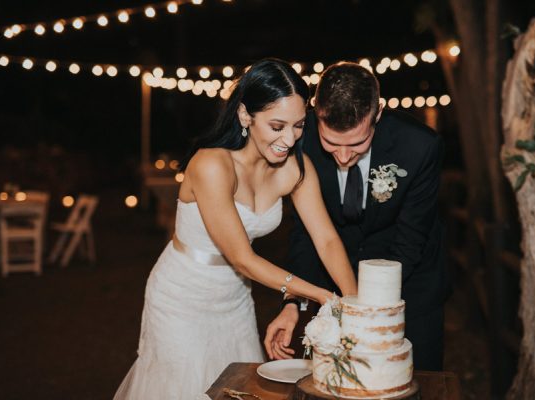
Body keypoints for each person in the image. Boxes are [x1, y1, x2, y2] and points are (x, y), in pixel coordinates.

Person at [114, 59, 357, 400]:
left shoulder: (296, 169)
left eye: (299, 125)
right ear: (245, 116)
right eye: (277, 126)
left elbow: (327, 239)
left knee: (237, 391)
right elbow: (242, 258)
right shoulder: (211, 164)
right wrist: (321, 296)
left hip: (235, 299)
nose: (289, 139)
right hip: (180, 300)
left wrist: (355, 303)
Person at [264, 62, 448, 371]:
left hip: (412, 289)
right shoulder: (300, 141)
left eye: (358, 143)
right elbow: (306, 234)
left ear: (377, 114)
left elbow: (411, 239)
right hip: (333, 286)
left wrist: (365, 312)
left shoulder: (419, 148)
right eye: (332, 143)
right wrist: (294, 302)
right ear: (316, 114)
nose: (345, 156)